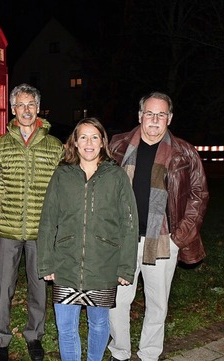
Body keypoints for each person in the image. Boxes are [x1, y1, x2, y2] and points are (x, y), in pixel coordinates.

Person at [107, 91, 209, 361]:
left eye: (161, 114)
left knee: (157, 303)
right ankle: (119, 351)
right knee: (117, 300)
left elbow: (199, 195)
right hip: (123, 238)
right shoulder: (118, 146)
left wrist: (179, 237)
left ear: (170, 118)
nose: (154, 119)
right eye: (149, 113)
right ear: (140, 116)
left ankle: (150, 353)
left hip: (163, 240)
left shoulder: (184, 152)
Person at [36, 117, 139, 361]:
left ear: (103, 142)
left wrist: (126, 266)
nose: (89, 143)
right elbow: (48, 220)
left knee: (100, 324)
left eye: (94, 137)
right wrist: (46, 262)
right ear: (75, 142)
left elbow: (129, 224)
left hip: (103, 264)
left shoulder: (116, 176)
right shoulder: (62, 175)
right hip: (65, 263)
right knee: (66, 327)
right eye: (83, 137)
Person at [0, 83, 65, 361]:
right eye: (21, 104)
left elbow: (61, 187)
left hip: (41, 231)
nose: (26, 110)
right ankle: (1, 340)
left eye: (31, 104)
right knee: (2, 286)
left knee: (38, 287)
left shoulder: (55, 146)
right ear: (12, 109)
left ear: (38, 108)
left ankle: (34, 336)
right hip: (7, 229)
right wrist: (3, 207)